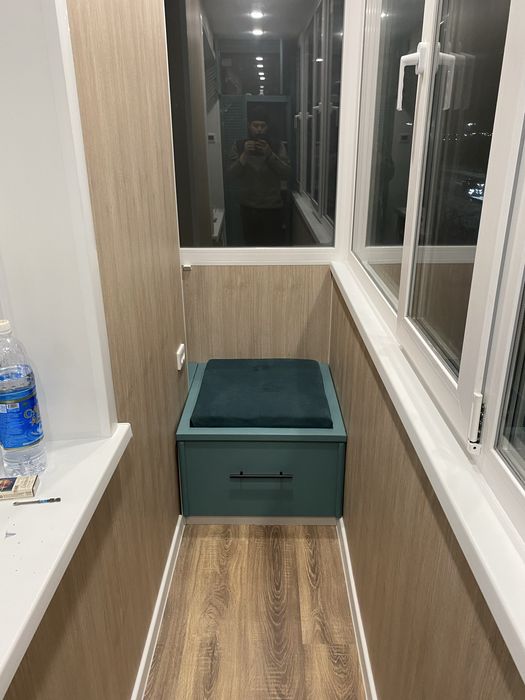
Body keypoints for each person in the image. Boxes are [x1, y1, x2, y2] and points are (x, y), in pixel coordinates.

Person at [228, 108, 291, 246]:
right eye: (255, 125)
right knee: (251, 247)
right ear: (249, 125)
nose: (259, 129)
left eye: (263, 125)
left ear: (267, 127)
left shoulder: (277, 145)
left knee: (273, 248)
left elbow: (286, 173)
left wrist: (270, 154)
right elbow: (231, 175)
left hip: (272, 208)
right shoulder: (239, 146)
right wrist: (244, 155)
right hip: (248, 208)